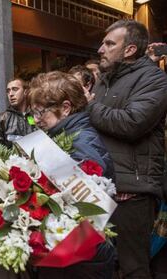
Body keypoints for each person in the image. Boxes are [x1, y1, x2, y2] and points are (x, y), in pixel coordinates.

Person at [87, 19, 167, 278]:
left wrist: (89, 106)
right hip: (100, 188)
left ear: (130, 49)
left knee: (133, 268)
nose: (101, 49)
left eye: (109, 43)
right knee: (101, 265)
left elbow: (132, 123)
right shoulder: (104, 81)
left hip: (132, 192)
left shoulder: (154, 79)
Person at [29, 71, 115, 279]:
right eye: (33, 113)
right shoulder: (64, 136)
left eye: (40, 112)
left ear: (66, 108)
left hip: (81, 260)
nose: (36, 120)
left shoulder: (81, 142)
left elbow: (87, 208)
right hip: (74, 255)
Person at [0, 78, 36, 148]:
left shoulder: (37, 116)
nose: (10, 94)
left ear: (25, 92)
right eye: (8, 91)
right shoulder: (1, 119)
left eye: (15, 89)